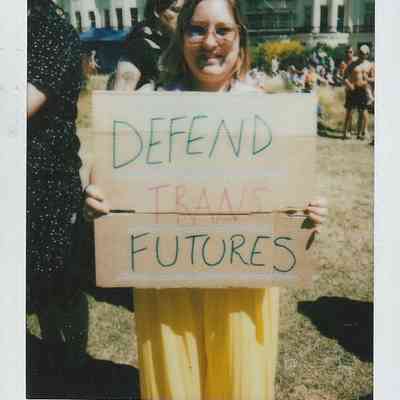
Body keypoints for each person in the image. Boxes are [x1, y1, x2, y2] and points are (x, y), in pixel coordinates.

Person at [85, 0, 328, 398]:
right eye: (196, 30)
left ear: (240, 38)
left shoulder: (268, 112)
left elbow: (288, 198)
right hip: (167, 288)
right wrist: (97, 200)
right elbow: (108, 184)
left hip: (243, 284)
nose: (209, 42)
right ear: (180, 39)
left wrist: (308, 212)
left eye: (222, 30)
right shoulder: (148, 105)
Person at [27, 0, 88, 371]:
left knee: (62, 276)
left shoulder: (50, 28)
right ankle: (53, 349)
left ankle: (76, 358)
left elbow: (24, 103)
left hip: (48, 177)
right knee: (37, 275)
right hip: (25, 175)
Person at [112, 0, 184, 91]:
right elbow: (121, 94)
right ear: (157, 11)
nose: (182, 16)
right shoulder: (138, 46)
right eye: (176, 10)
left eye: (185, 10)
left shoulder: (183, 39)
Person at [342, 45, 375, 140]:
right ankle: (347, 132)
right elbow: (344, 77)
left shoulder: (369, 65)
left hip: (362, 89)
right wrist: (349, 85)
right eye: (360, 52)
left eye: (364, 53)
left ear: (367, 54)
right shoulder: (352, 63)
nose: (361, 55)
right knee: (349, 111)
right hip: (352, 89)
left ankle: (360, 133)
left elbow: (373, 78)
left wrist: (368, 78)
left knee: (363, 112)